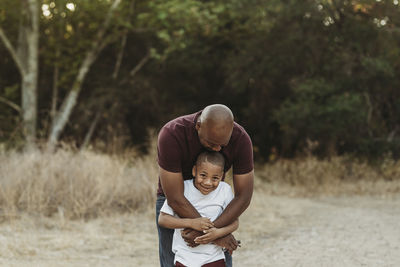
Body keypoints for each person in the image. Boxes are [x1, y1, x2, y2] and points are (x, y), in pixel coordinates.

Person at [156, 104, 254, 267]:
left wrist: (213, 233)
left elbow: (243, 197)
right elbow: (174, 197)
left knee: (218, 259)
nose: (217, 149)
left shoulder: (241, 139)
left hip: (214, 203)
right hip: (174, 201)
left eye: (222, 145)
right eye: (211, 143)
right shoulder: (172, 133)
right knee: (172, 261)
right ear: (198, 126)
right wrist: (214, 234)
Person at [158, 151, 239, 267]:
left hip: (213, 257)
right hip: (185, 257)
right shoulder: (183, 188)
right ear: (194, 171)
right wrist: (191, 223)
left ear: (221, 176)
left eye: (215, 178)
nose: (208, 182)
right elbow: (162, 219)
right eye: (203, 175)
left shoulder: (224, 190)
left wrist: (217, 234)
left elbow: (235, 222)